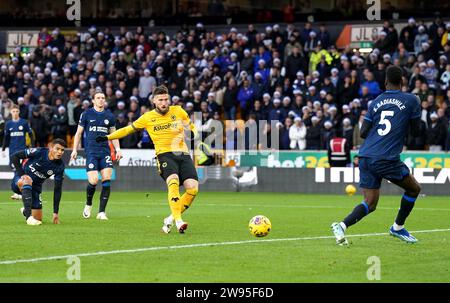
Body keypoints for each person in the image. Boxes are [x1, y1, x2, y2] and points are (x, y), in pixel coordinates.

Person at [331, 66, 422, 245]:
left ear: (385, 82)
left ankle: (341, 225)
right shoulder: (412, 100)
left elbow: (364, 131)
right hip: (386, 158)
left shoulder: (376, 101)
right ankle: (397, 227)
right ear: (402, 81)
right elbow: (416, 132)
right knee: (414, 189)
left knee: (370, 203)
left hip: (365, 156)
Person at [96, 85, 199, 234]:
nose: (164, 103)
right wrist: (108, 137)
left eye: (166, 99)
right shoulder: (147, 117)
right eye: (161, 100)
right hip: (164, 155)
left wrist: (194, 133)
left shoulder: (178, 111)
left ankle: (170, 219)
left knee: (193, 189)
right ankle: (178, 221)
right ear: (154, 101)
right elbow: (127, 129)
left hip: (183, 154)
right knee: (174, 182)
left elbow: (191, 125)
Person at [71, 91, 122, 220]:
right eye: (98, 98)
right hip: (91, 152)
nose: (101, 100)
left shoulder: (109, 116)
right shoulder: (86, 114)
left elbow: (114, 135)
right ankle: (88, 204)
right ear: (93, 100)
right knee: (93, 181)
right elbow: (78, 133)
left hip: (105, 152)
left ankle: (101, 212)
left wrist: (118, 149)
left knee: (106, 179)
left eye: (103, 98)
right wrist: (74, 150)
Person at [10, 138, 66, 225]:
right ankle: (28, 217)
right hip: (20, 181)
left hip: (36, 187)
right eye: (57, 149)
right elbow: (14, 156)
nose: (59, 152)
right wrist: (22, 174)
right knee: (27, 180)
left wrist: (55, 213)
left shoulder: (60, 166)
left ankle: (26, 210)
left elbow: (57, 189)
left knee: (38, 219)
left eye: (62, 150)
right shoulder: (39, 152)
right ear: (50, 147)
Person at [2, 105, 34, 200]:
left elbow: (31, 134)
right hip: (12, 151)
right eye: (13, 111)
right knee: (16, 171)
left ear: (19, 112)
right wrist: (3, 149)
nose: (15, 113)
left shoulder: (23, 122)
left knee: (18, 171)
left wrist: (31, 145)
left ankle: (19, 192)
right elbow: (6, 138)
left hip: (22, 151)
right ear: (11, 112)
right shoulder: (8, 124)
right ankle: (21, 191)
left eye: (16, 111)